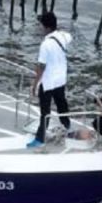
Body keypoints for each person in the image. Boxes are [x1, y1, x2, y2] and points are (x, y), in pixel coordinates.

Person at [28, 11, 72, 148]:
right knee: (61, 104)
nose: (40, 28)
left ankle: (40, 138)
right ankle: (66, 124)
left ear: (46, 27)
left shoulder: (45, 44)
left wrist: (34, 85)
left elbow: (41, 67)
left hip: (48, 82)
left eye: (41, 25)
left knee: (45, 112)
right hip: (60, 79)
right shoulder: (64, 37)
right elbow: (69, 36)